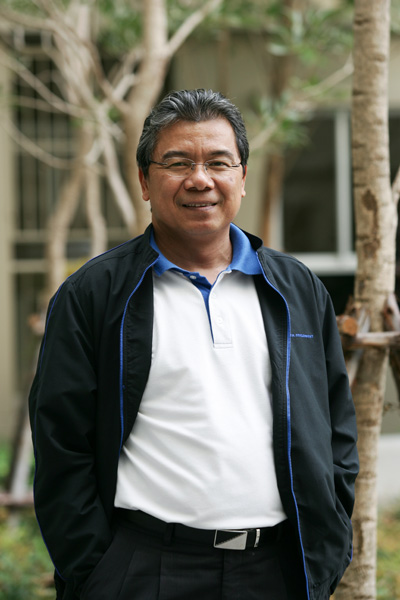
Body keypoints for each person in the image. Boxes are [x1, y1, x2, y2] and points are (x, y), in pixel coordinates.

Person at [29, 88, 359, 600]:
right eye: (178, 163)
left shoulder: (297, 289)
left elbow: (336, 423)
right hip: (145, 569)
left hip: (276, 570)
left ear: (242, 177)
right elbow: (60, 443)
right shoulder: (94, 295)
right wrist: (96, 570)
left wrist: (329, 542)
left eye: (218, 163)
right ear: (145, 181)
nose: (200, 179)